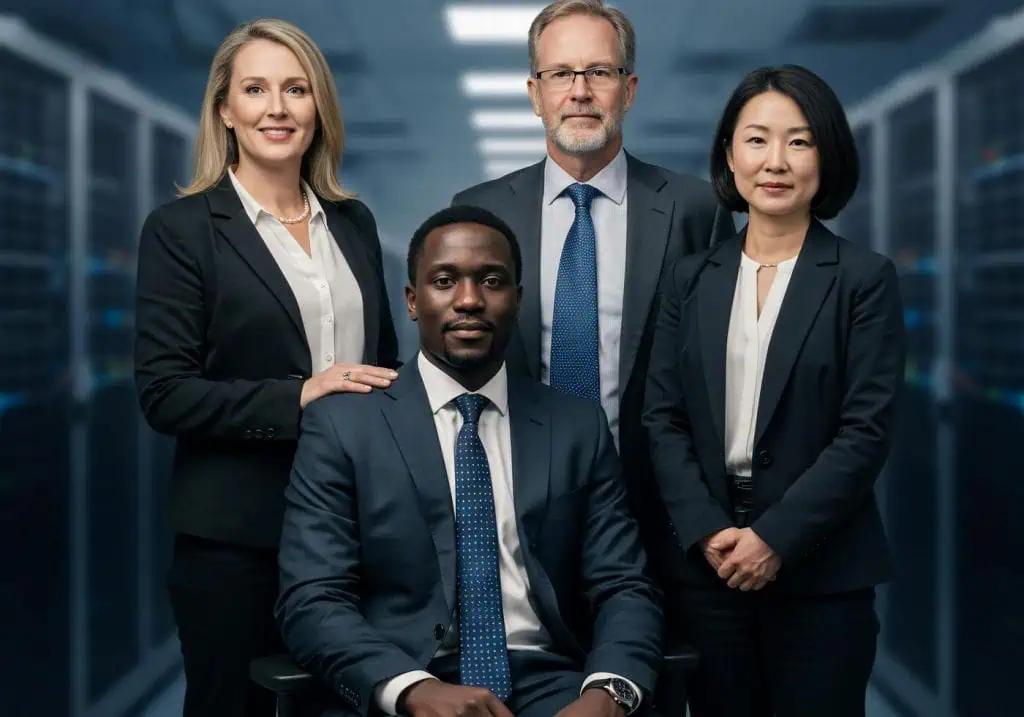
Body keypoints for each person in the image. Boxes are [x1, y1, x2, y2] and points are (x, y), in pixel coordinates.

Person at [276, 205, 663, 717]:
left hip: (551, 686)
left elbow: (624, 584)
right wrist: (410, 689)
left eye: (492, 281)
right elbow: (311, 600)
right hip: (407, 680)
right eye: (444, 281)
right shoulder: (345, 426)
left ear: (518, 301)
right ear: (413, 302)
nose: (468, 301)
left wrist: (607, 694)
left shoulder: (575, 427)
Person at [133, 18, 399, 717]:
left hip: (351, 533)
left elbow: (386, 365)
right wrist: (302, 393)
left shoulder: (354, 222)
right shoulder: (183, 229)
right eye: (255, 89)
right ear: (225, 108)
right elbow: (165, 394)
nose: (277, 108)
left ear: (319, 108)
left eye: (296, 88)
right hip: (237, 539)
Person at [642, 64, 906, 717]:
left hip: (821, 574)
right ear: (729, 154)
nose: (776, 161)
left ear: (827, 155)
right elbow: (661, 416)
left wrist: (775, 538)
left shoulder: (863, 280)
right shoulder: (689, 278)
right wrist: (708, 532)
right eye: (757, 139)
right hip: (707, 571)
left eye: (800, 140)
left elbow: (864, 431)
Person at [451, 0, 733, 579]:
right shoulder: (478, 212)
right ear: (535, 93)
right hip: (514, 501)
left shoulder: (694, 209)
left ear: (627, 89)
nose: (580, 91)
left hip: (656, 507)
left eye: (598, 72)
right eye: (561, 74)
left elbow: (715, 369)